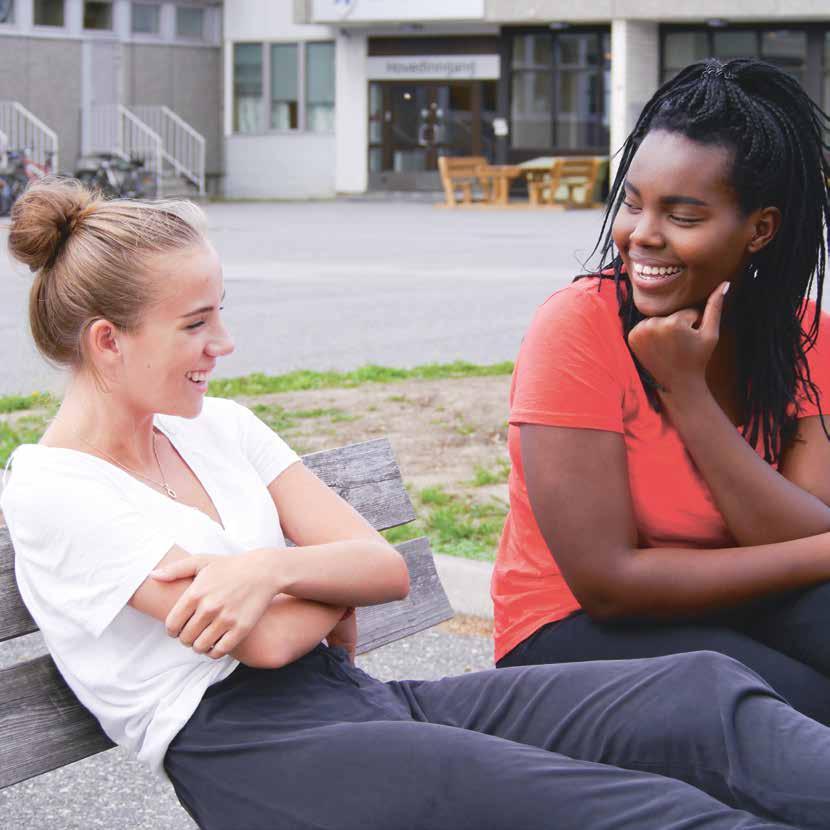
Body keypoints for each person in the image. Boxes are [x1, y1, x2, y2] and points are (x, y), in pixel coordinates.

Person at [5, 180, 830, 830]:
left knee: (696, 699)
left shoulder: (220, 426)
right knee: (627, 810)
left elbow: (383, 569)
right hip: (264, 760)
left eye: (221, 312)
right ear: (107, 341)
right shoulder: (54, 488)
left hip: (362, 708)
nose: (224, 344)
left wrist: (267, 569)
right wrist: (314, 591)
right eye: (196, 323)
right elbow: (267, 641)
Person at [493, 57, 830, 725]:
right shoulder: (579, 327)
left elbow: (799, 531)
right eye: (634, 202)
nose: (642, 234)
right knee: (809, 712)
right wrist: (685, 389)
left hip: (728, 602)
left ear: (759, 229)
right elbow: (608, 583)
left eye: (683, 214)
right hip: (568, 631)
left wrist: (687, 392)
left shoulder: (804, 334)